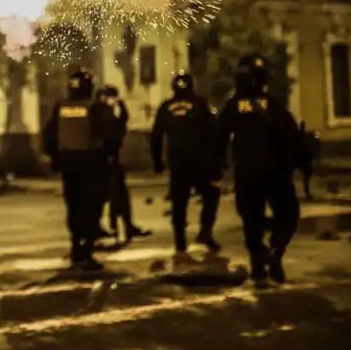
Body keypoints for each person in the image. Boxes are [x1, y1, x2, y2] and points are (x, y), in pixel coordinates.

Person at [213, 55, 306, 284]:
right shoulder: (274, 105)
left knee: (251, 220)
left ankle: (259, 264)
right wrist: (298, 165)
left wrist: (218, 169)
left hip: (248, 172)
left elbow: (218, 138)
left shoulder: (233, 106)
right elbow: (293, 137)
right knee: (288, 215)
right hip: (277, 172)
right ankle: (275, 251)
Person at [42, 67, 113, 271]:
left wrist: (56, 158)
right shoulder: (95, 107)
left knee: (73, 206)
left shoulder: (61, 106)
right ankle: (87, 250)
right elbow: (107, 133)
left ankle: (75, 246)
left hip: (68, 164)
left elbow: (49, 135)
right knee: (91, 207)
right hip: (91, 163)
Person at [150, 71, 221, 259]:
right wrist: (216, 161)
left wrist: (157, 161)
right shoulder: (200, 105)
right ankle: (205, 231)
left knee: (179, 203)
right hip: (200, 162)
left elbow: (156, 136)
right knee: (211, 194)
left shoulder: (165, 107)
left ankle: (180, 242)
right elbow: (213, 133)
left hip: (177, 163)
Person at [99, 86, 151, 242]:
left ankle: (126, 225)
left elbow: (122, 124)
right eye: (110, 97)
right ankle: (113, 227)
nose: (112, 100)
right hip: (103, 158)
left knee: (120, 193)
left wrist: (119, 108)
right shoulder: (100, 111)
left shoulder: (117, 108)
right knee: (110, 194)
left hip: (114, 157)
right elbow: (108, 130)